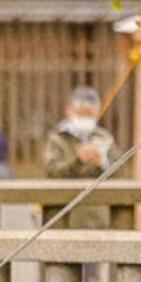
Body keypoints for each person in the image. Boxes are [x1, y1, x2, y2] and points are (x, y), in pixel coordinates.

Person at [39, 85, 119, 229]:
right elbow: (51, 171)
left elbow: (119, 172)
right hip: (63, 216)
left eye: (89, 115)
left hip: (98, 216)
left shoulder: (105, 138)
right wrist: (78, 160)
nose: (85, 119)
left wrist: (101, 163)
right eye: (81, 114)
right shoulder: (57, 139)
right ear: (68, 111)